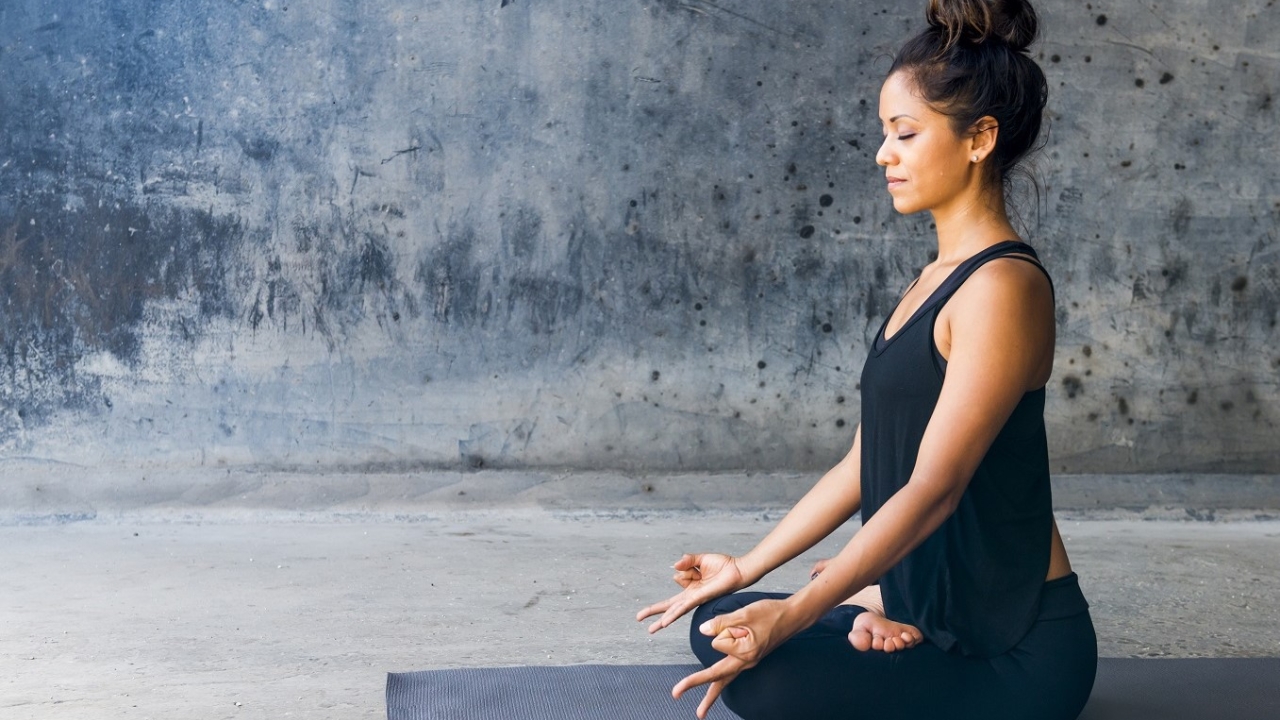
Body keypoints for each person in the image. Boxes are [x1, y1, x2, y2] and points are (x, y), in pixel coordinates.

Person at [635, 1, 1099, 718]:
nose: (883, 153)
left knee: (769, 673)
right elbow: (864, 463)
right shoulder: (932, 281)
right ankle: (878, 605)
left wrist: (795, 615)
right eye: (885, 132)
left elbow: (933, 489)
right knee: (720, 622)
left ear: (979, 138)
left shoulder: (1003, 288)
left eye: (905, 134)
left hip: (1015, 649)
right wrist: (749, 569)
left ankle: (874, 608)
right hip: (937, 603)